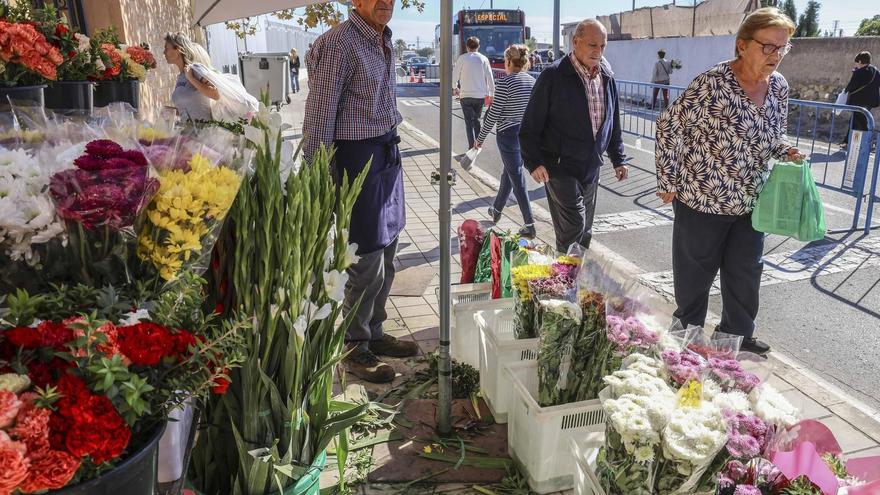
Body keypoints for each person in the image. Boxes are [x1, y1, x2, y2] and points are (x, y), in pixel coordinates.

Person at [655, 7, 805, 356]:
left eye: (782, 48)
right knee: (695, 277)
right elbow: (669, 125)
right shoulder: (713, 83)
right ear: (742, 45)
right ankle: (686, 339)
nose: (776, 56)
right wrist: (668, 178)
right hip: (703, 198)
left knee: (745, 273)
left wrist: (786, 150)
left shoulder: (779, 87)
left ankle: (735, 337)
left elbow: (774, 135)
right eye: (768, 46)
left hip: (751, 201)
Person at [303, 0, 417, 383]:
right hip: (356, 160)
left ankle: (375, 331)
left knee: (388, 249)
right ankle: (355, 347)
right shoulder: (339, 43)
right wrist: (317, 178)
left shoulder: (383, 40)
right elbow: (318, 118)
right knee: (365, 256)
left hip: (386, 152)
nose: (386, 2)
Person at [519, 19, 629, 254]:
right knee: (573, 226)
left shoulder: (607, 76)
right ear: (575, 42)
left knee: (585, 231)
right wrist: (534, 161)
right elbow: (529, 125)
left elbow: (613, 121)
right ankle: (564, 284)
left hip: (591, 166)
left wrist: (618, 158)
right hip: (559, 166)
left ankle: (572, 279)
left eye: (602, 46)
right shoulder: (553, 75)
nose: (597, 51)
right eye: (592, 45)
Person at [474, 44, 536, 239]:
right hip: (528, 135)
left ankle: (530, 224)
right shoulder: (532, 81)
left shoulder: (505, 83)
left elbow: (493, 115)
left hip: (508, 135)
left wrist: (480, 139)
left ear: (508, 61)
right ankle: (496, 210)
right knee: (508, 173)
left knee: (516, 176)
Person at [163, 32, 219, 121]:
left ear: (178, 49)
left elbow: (215, 94)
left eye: (166, 48)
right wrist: (171, 111)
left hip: (204, 131)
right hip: (189, 131)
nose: (164, 52)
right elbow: (189, 108)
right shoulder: (181, 76)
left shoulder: (196, 69)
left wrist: (191, 79)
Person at [453, 36, 495, 149]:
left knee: (468, 122)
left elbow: (455, 75)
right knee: (477, 120)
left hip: (465, 95)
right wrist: (491, 93)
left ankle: (471, 146)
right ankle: (478, 144)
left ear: (467, 47)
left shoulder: (462, 58)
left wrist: (455, 87)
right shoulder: (483, 59)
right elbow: (490, 77)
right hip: (480, 96)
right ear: (478, 46)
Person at [840, 51, 880, 147]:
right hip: (871, 102)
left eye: (857, 62)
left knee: (861, 122)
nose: (857, 64)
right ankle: (847, 142)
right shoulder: (876, 71)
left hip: (858, 102)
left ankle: (869, 143)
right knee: (855, 120)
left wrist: (844, 91)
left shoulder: (859, 72)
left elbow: (851, 86)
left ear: (861, 61)